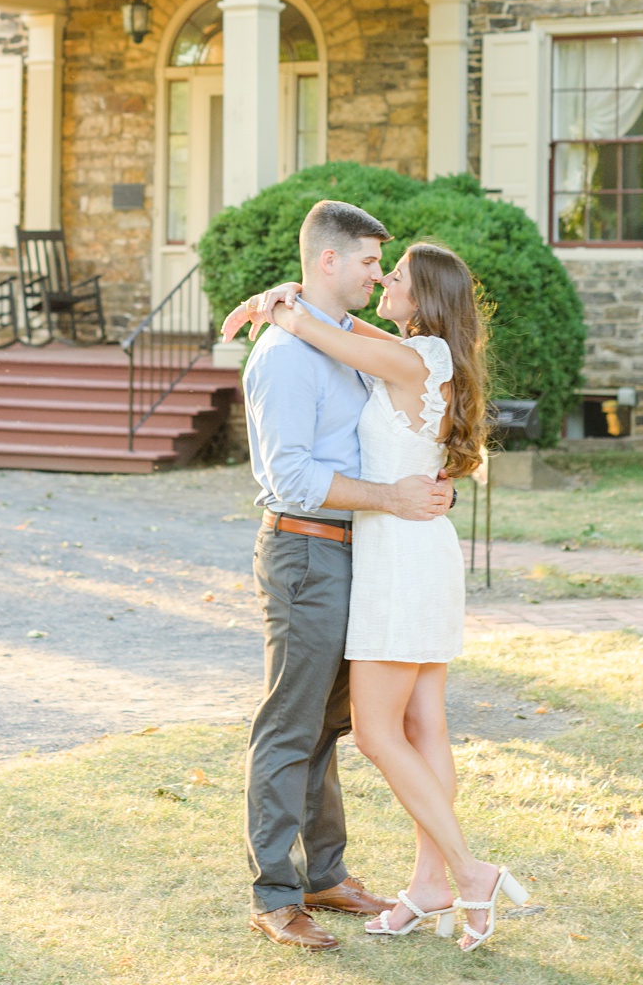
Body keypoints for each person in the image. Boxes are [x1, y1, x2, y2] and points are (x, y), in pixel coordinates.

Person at [231, 242, 528, 951]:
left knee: (374, 732)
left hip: (399, 554)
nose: (382, 279)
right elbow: (344, 327)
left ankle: (467, 870)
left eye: (393, 276)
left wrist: (283, 309)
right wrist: (292, 295)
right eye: (377, 267)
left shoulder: (416, 357)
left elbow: (324, 331)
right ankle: (430, 886)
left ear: (422, 301)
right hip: (411, 547)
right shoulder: (416, 352)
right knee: (426, 727)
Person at [218, 199, 456, 952]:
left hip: (365, 554)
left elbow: (412, 401)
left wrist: (420, 478)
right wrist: (392, 496)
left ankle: (324, 872)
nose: (376, 274)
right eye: (365, 263)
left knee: (331, 722)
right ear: (327, 261)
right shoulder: (283, 355)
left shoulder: (346, 338)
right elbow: (288, 474)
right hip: (305, 552)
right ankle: (275, 893)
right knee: (290, 723)